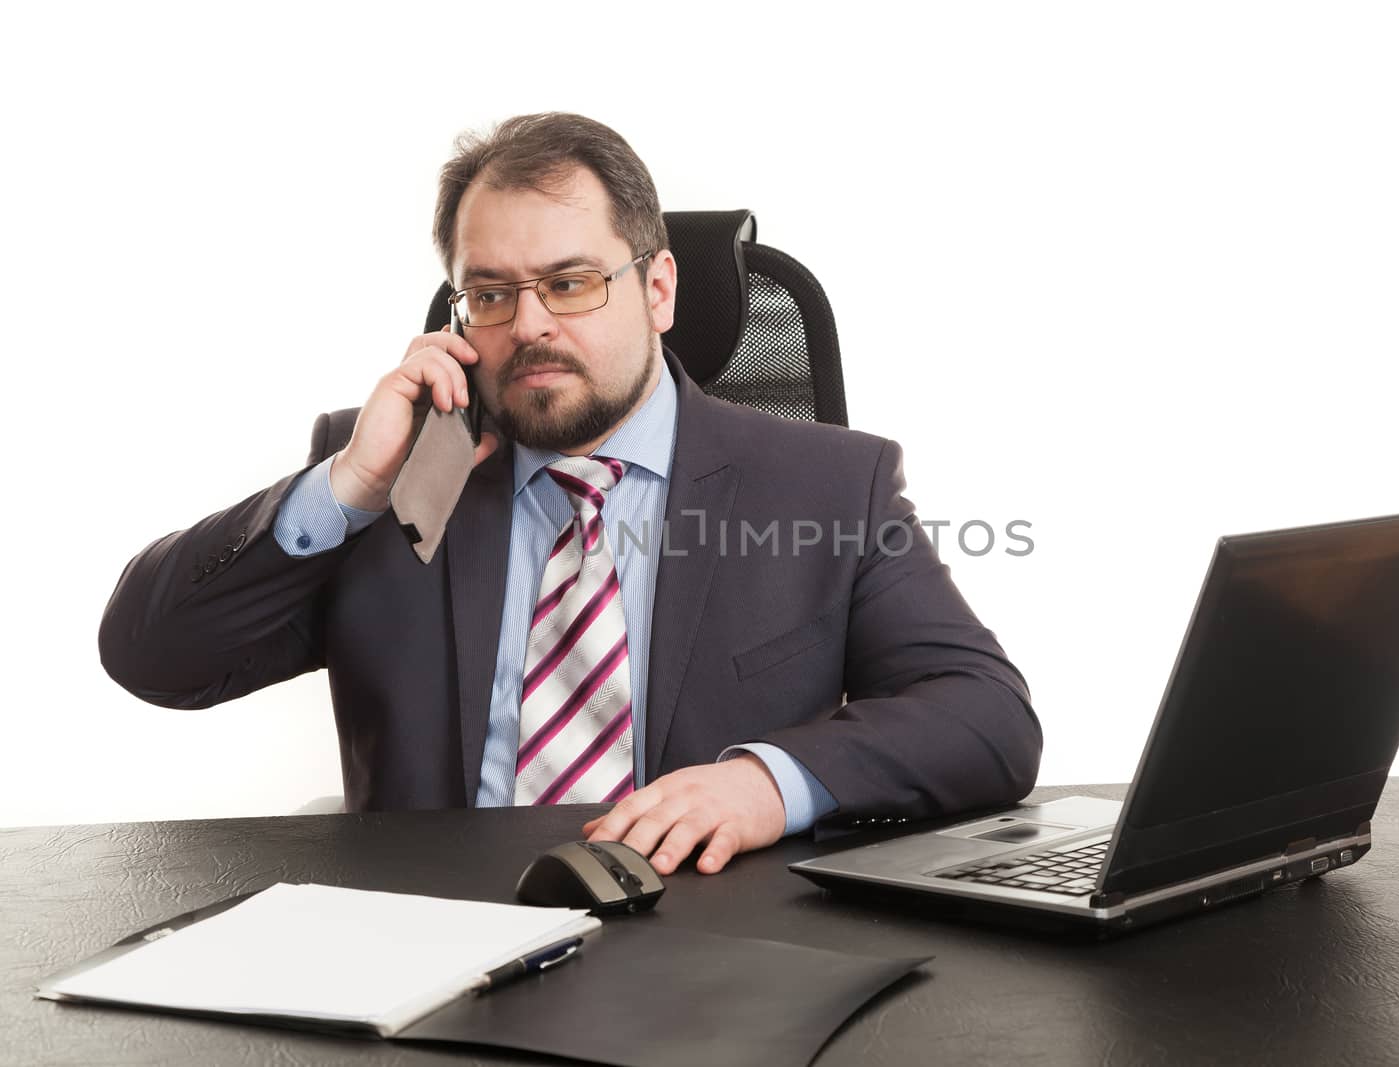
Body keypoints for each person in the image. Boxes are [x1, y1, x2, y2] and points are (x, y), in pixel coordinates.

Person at [100, 112, 1041, 878]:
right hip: (428, 947)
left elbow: (984, 712)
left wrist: (772, 783)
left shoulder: (832, 485)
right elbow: (153, 657)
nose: (532, 325)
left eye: (571, 282)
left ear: (659, 288)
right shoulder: (396, 477)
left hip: (718, 953)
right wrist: (351, 484)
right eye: (494, 295)